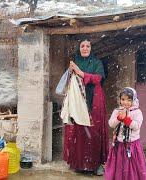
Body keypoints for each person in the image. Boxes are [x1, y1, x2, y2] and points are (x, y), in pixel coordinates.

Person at [63, 39, 108, 175]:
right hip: (78, 102)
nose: (85, 48)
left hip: (94, 100)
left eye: (88, 46)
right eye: (82, 46)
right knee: (79, 131)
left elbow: (98, 79)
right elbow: (68, 82)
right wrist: (71, 72)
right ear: (79, 48)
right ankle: (79, 163)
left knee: (94, 131)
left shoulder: (96, 63)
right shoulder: (75, 62)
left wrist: (81, 73)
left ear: (91, 48)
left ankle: (96, 164)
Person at [104, 87, 146, 180]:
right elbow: (111, 124)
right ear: (120, 100)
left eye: (129, 100)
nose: (125, 102)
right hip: (119, 144)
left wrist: (126, 120)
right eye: (123, 99)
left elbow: (136, 126)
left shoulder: (137, 112)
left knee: (132, 165)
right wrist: (118, 118)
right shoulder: (117, 111)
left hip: (132, 145)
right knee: (119, 166)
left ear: (134, 100)